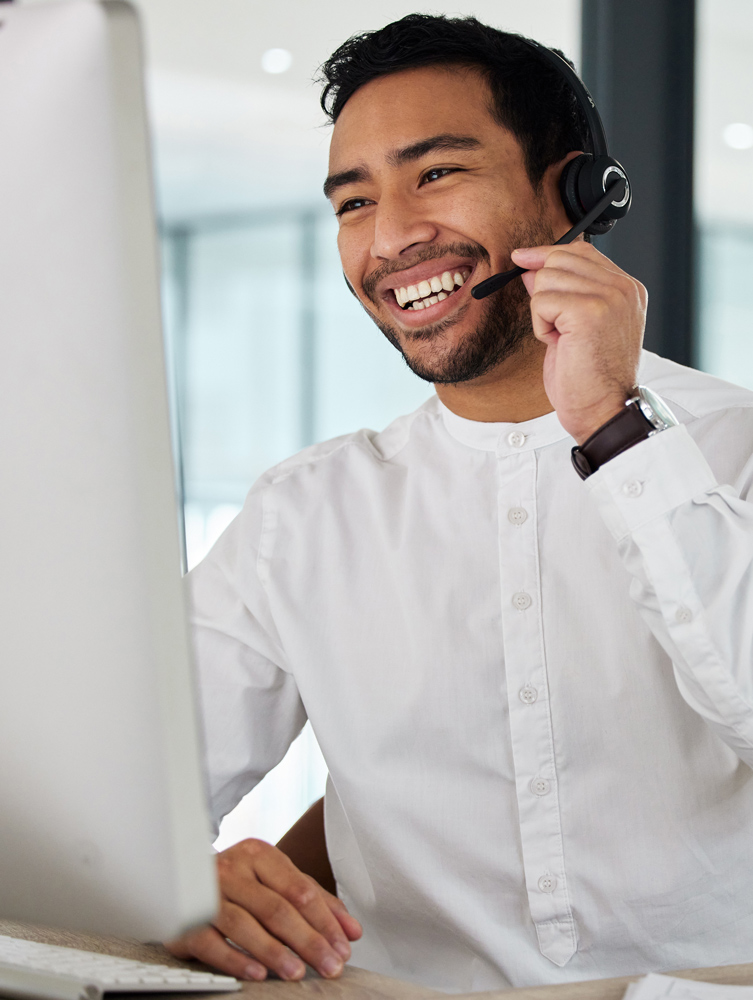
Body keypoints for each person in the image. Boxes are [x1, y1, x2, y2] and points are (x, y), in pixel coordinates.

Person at [168, 14, 753, 994]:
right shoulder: (302, 518)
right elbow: (115, 810)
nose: (391, 235)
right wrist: (183, 883)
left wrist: (614, 426)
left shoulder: (733, 445)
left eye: (436, 173)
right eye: (354, 201)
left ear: (573, 189)